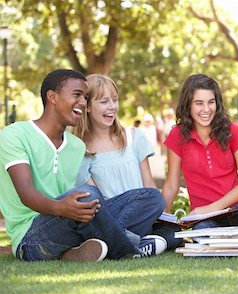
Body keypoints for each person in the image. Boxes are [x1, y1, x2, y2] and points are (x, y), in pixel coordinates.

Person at [0, 69, 160, 262]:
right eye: (77, 95)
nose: (83, 103)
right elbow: (25, 192)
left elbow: (81, 201)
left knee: (152, 198)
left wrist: (75, 209)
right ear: (52, 97)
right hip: (32, 234)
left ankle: (74, 253)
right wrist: (61, 208)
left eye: (85, 97)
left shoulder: (76, 146)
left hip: (70, 221)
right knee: (88, 196)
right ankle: (128, 248)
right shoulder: (14, 135)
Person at [73, 74, 172, 250]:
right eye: (104, 101)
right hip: (109, 214)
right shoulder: (81, 148)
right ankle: (130, 243)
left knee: (171, 233)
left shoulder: (134, 137)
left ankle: (119, 243)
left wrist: (163, 216)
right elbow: (95, 201)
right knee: (157, 220)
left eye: (115, 100)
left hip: (140, 213)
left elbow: (148, 185)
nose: (112, 107)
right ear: (87, 106)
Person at [162, 73, 238, 230]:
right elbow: (171, 185)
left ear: (217, 103)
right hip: (205, 219)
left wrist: (212, 208)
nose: (206, 109)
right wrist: (162, 219)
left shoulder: (234, 131)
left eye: (211, 102)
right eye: (199, 103)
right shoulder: (177, 136)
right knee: (203, 232)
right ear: (188, 105)